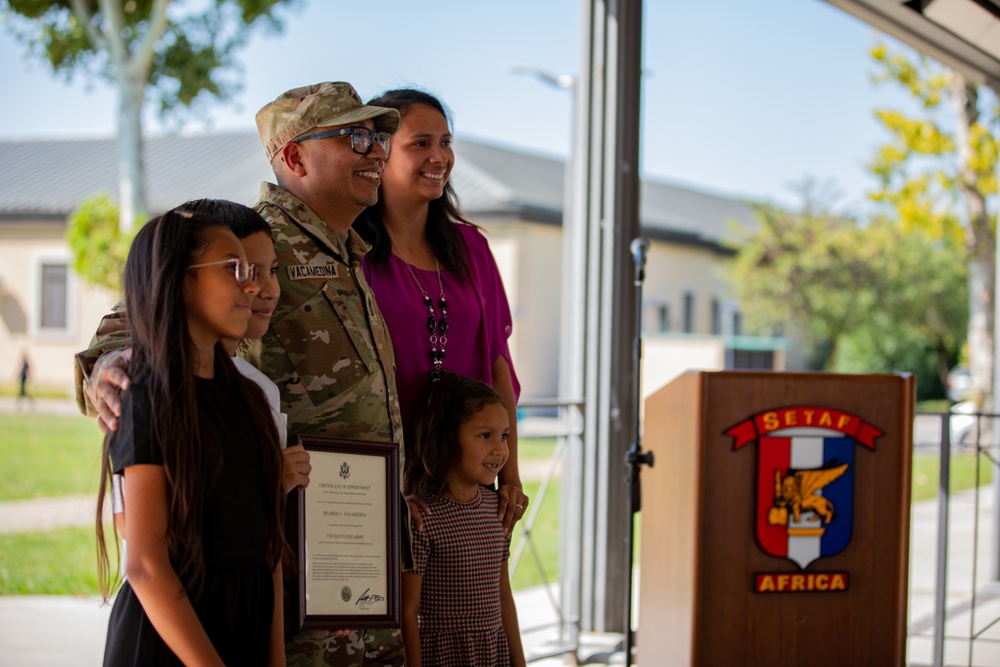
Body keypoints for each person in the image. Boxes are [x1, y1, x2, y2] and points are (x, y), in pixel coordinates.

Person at [76, 82, 407, 667]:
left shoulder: (349, 254)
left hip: (345, 556)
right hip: (270, 568)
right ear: (295, 156)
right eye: (355, 136)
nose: (376, 150)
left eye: (379, 136)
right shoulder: (249, 240)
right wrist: (109, 367)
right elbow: (140, 316)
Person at [95, 209, 286, 666]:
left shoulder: (251, 400)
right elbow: (144, 564)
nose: (254, 287)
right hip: (169, 643)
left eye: (257, 272)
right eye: (234, 269)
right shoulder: (144, 397)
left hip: (244, 630)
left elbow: (268, 546)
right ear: (179, 279)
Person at [354, 89, 528, 536]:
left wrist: (509, 475)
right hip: (389, 480)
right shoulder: (351, 251)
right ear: (381, 152)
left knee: (474, 603)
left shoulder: (471, 249)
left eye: (446, 142)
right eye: (421, 143)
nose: (439, 156)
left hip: (467, 481)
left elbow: (497, 362)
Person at [401, 372, 526, 667]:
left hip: (491, 655)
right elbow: (408, 611)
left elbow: (503, 596)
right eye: (486, 435)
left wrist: (519, 662)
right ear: (447, 438)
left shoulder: (498, 511)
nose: (500, 449)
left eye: (504, 436)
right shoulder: (422, 518)